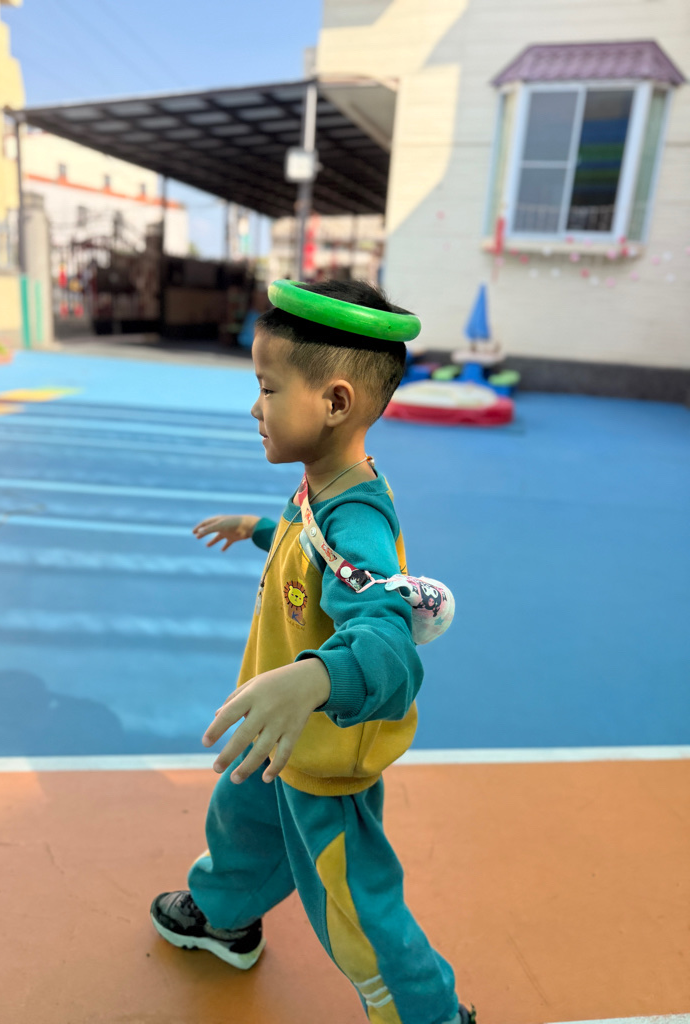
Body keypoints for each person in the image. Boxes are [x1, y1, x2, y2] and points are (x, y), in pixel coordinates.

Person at [149, 279, 474, 1024]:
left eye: (267, 388)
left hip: (323, 758)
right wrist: (259, 528)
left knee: (357, 915)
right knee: (240, 825)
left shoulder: (357, 522)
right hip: (280, 735)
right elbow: (309, 547)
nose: (254, 408)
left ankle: (430, 1013)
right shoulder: (321, 489)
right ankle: (223, 917)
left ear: (334, 402)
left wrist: (314, 677)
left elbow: (389, 644)